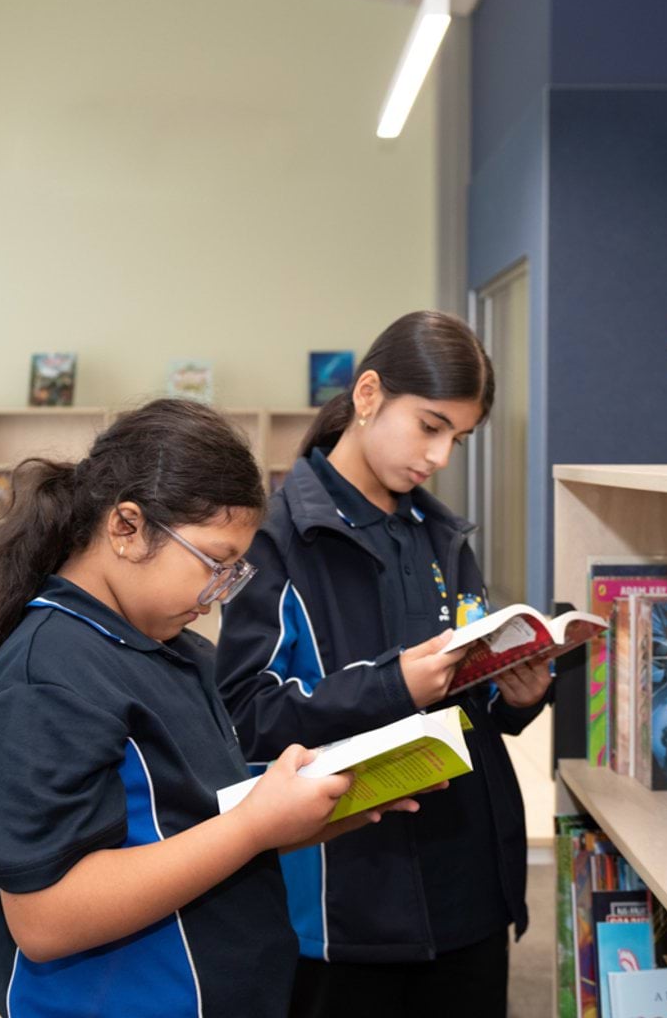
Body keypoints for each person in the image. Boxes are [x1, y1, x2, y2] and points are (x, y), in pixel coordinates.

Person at [0, 399, 425, 1018]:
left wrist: (307, 809)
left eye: (232, 572)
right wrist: (253, 827)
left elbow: (183, 818)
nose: (216, 595)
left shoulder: (176, 649)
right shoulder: (46, 676)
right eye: (214, 563)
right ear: (126, 527)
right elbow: (45, 917)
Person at [217, 310, 553, 1018]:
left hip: (469, 884)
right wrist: (392, 686)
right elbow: (246, 715)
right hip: (348, 906)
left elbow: (469, 694)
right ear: (367, 395)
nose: (439, 457)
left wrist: (517, 693)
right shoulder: (276, 541)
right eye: (430, 427)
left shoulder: (442, 536)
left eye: (457, 439)